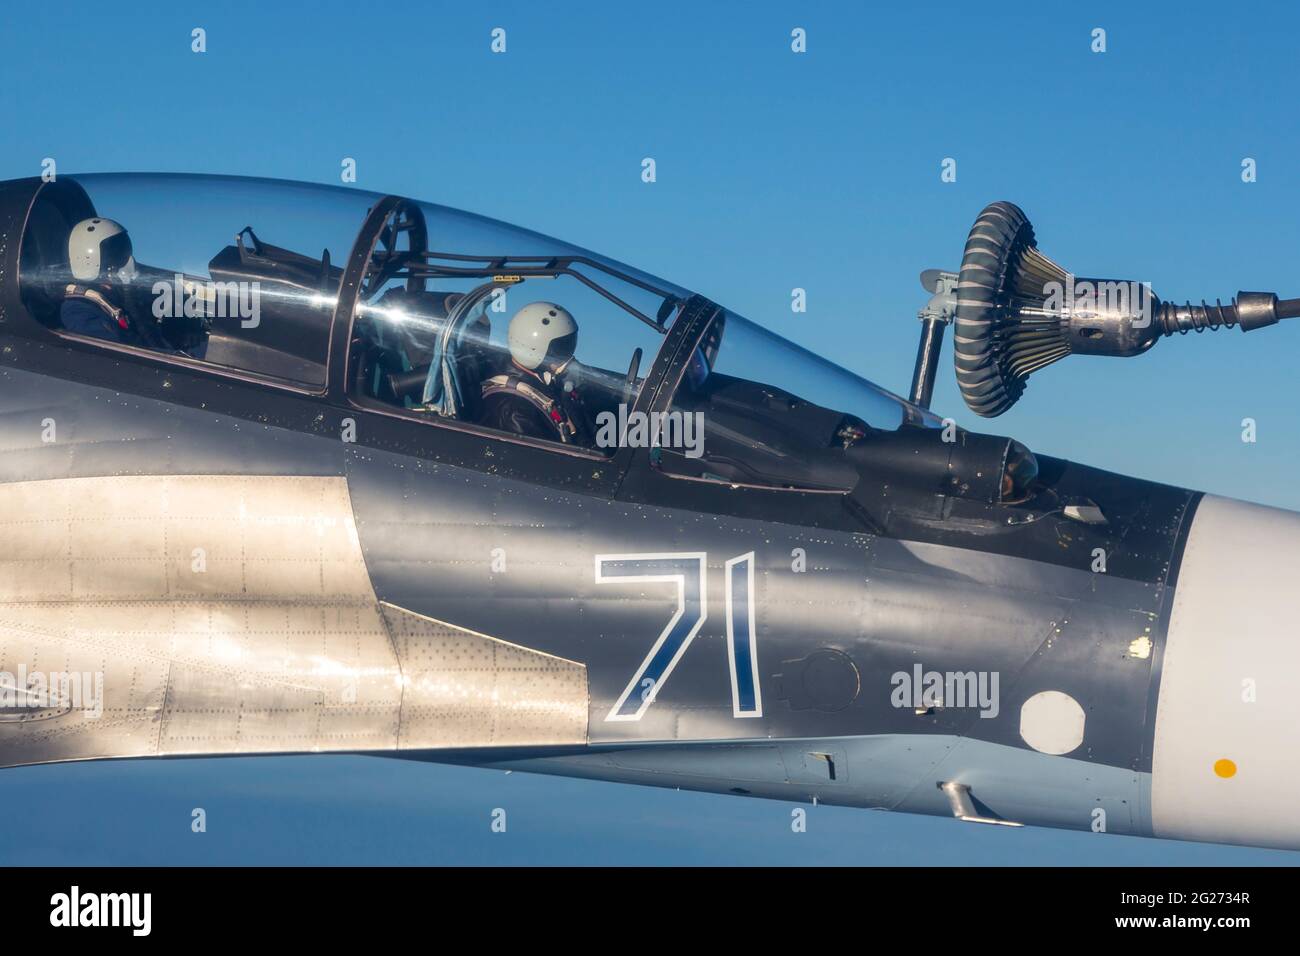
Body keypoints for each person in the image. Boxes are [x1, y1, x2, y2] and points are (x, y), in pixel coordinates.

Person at [479, 301, 590, 444]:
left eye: (569, 345)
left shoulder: (543, 384)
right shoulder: (515, 412)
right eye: (560, 349)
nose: (567, 357)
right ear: (534, 348)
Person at [58, 218, 168, 348]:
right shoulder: (78, 312)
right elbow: (121, 359)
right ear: (91, 261)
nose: (129, 263)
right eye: (119, 258)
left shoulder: (115, 299)